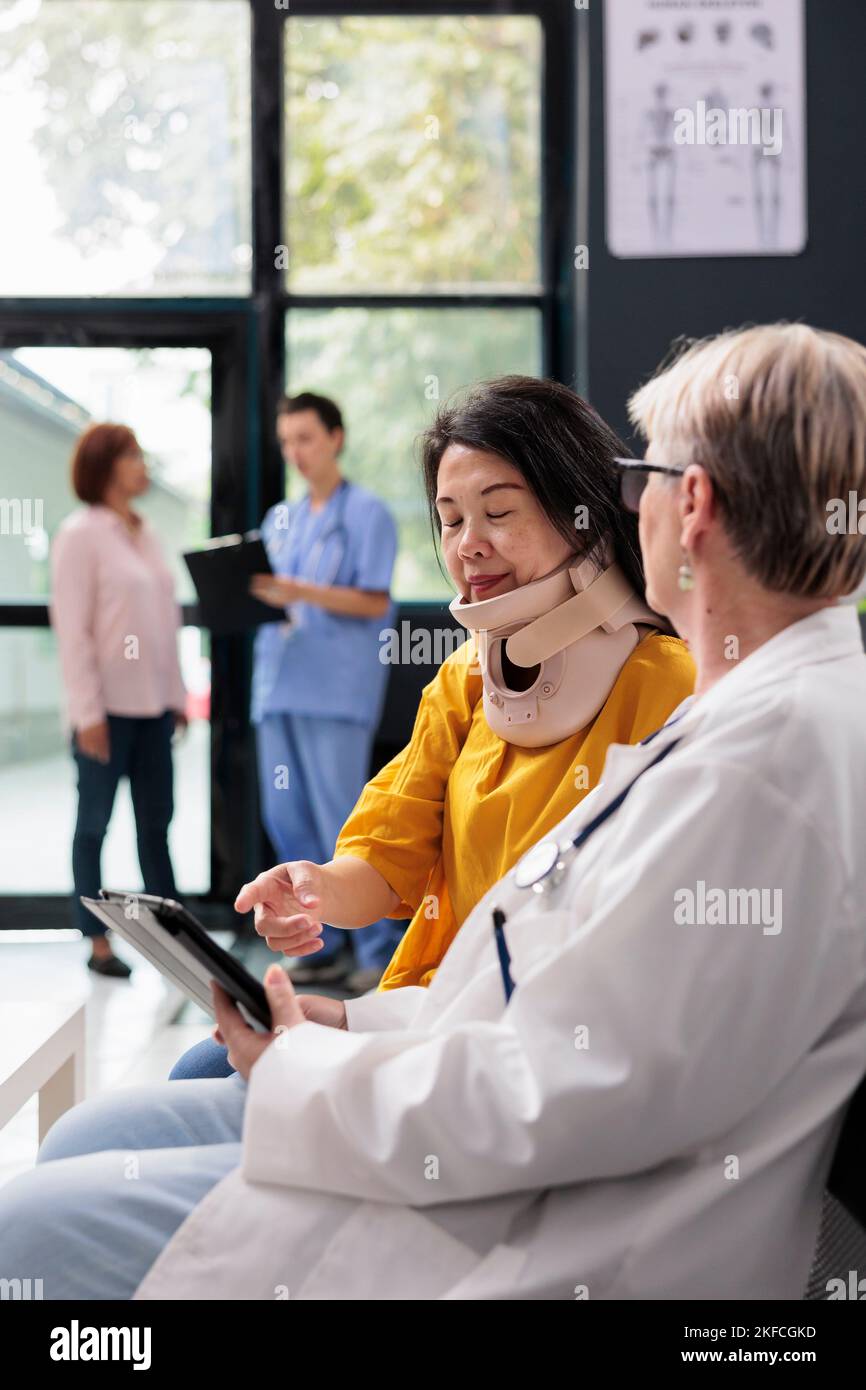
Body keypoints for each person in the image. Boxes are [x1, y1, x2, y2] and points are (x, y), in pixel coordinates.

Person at [2, 322, 865, 1301]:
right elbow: (542, 1003)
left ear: (693, 501)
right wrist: (337, 1021)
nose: (467, 545)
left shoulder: (749, 757)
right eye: (450, 517)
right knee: (87, 1145)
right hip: (466, 1114)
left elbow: (563, 1083)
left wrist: (309, 1067)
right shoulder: (755, 722)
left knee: (30, 1223)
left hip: (521, 1209)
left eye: (642, 478)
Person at [169, 375, 694, 1079]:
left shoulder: (667, 685)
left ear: (580, 513)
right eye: (449, 520)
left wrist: (364, 1024)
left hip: (524, 1047)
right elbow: (386, 862)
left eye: (498, 512)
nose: (468, 545)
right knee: (205, 1063)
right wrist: (314, 887)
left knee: (202, 1077)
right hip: (428, 1011)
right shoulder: (466, 679)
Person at [248, 392, 402, 994]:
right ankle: (323, 943)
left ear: (336, 437)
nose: (296, 453)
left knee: (343, 822)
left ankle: (376, 947)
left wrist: (296, 590)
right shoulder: (280, 518)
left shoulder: (368, 514)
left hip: (336, 689)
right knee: (286, 818)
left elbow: (372, 599)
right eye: (287, 442)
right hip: (279, 685)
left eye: (306, 439)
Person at [50, 424, 187, 979]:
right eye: (132, 455)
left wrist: (176, 697)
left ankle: (177, 941)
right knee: (93, 826)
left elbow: (165, 623)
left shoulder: (145, 533)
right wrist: (87, 714)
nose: (141, 463)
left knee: (156, 826)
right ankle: (97, 941)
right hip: (104, 713)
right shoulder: (81, 534)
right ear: (106, 466)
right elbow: (74, 631)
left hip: (153, 709)